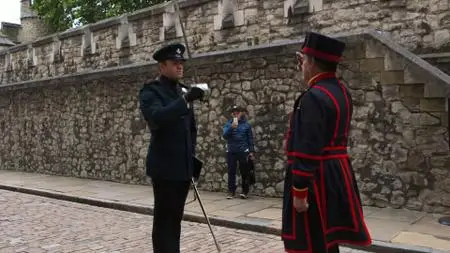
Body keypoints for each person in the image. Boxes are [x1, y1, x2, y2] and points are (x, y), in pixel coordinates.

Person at [282, 32, 372, 253]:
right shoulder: (342, 91)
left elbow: (308, 147)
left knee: (309, 242)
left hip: (316, 179)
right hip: (337, 173)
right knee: (328, 242)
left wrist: (300, 191)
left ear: (312, 62)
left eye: (302, 60)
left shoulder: (313, 97)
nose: (301, 66)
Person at [138, 43, 205, 253]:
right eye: (174, 63)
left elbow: (190, 130)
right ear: (162, 67)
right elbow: (157, 118)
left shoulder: (183, 90)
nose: (179, 66)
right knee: (164, 222)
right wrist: (184, 100)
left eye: (181, 63)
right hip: (165, 168)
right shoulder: (151, 91)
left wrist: (190, 160)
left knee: (175, 221)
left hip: (182, 168)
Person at [222, 105, 255, 199]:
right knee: (231, 171)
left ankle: (244, 191)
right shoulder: (228, 124)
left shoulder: (246, 125)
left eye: (237, 112)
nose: (235, 113)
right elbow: (225, 136)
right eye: (234, 112)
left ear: (241, 113)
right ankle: (231, 191)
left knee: (244, 172)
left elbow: (250, 139)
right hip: (231, 151)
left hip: (243, 151)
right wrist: (232, 127)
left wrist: (251, 152)